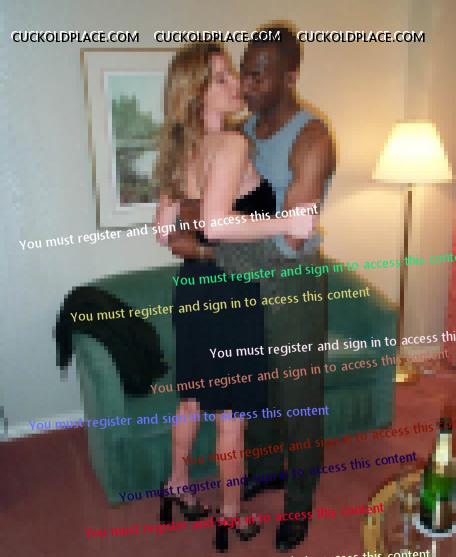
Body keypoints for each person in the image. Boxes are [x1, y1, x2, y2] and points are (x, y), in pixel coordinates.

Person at [154, 41, 315, 552]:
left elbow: (163, 232)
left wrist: (206, 239)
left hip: (191, 289)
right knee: (231, 418)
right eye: (222, 78)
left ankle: (177, 485)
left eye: (232, 75)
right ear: (199, 92)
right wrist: (285, 221)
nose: (236, 85)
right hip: (229, 293)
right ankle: (230, 516)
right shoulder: (230, 144)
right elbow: (220, 224)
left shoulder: (179, 150)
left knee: (191, 401)